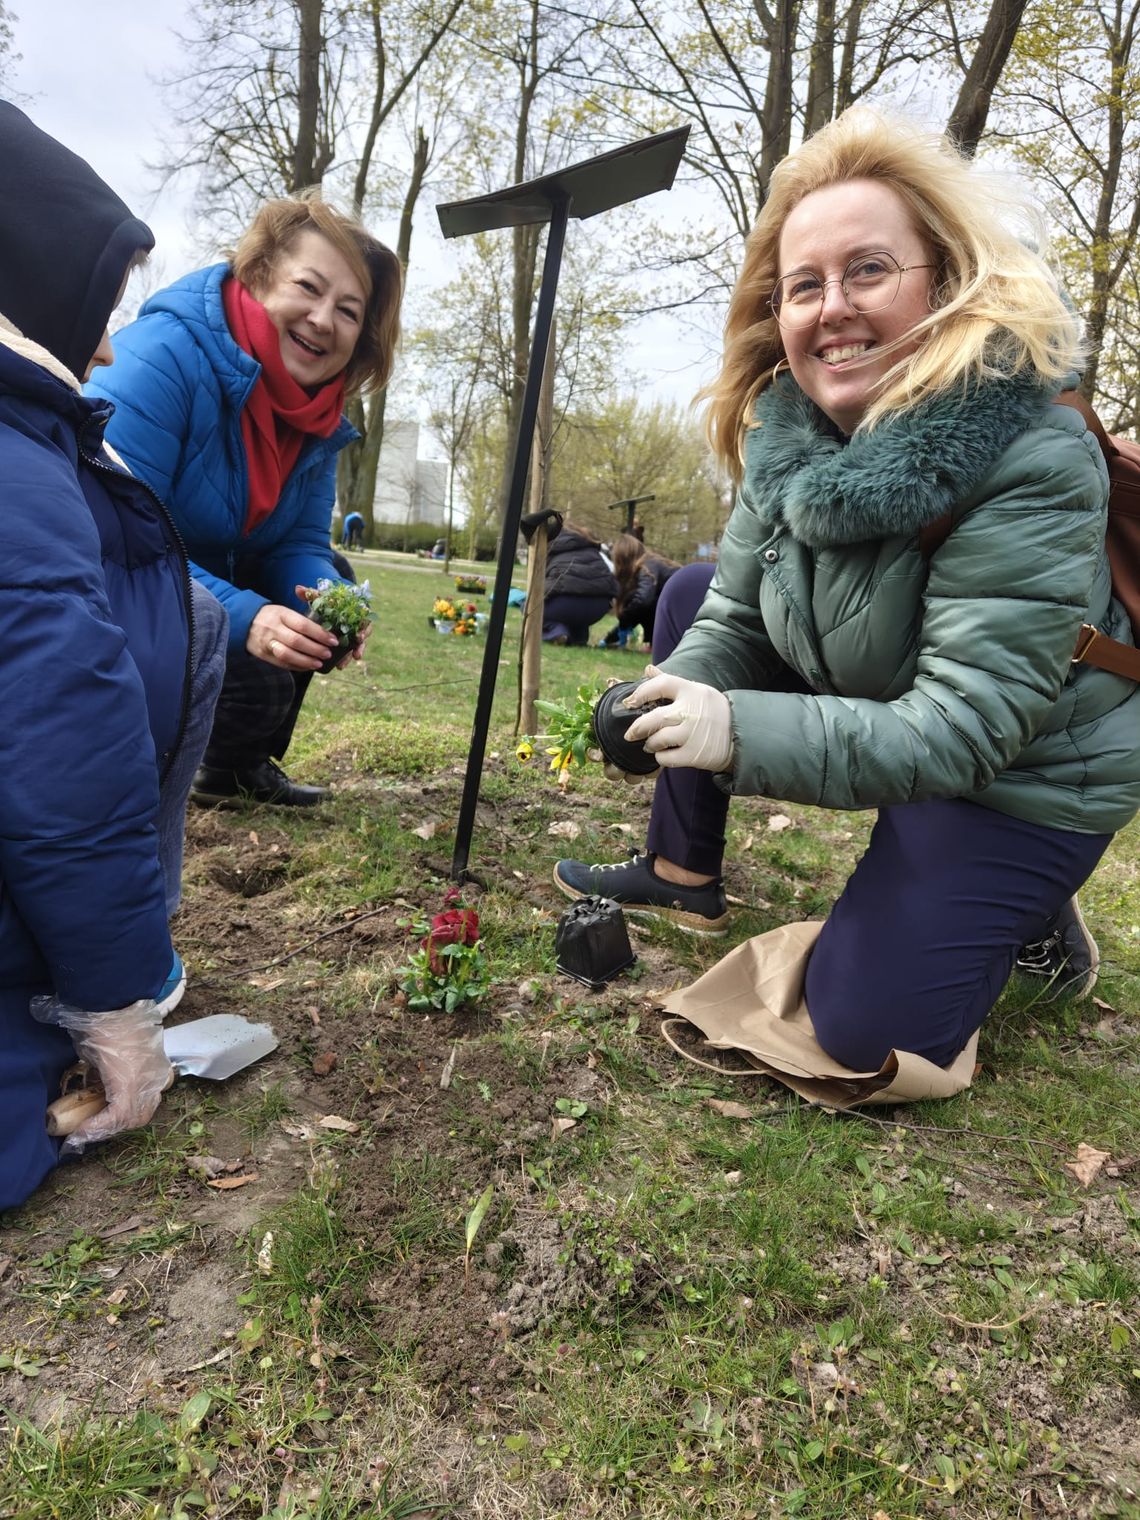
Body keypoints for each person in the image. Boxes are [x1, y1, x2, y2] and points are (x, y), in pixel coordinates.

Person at [556, 106, 1140, 1076]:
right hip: (888, 693)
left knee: (871, 1030)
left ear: (946, 280)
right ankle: (681, 869)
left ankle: (1036, 915)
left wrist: (734, 729)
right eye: (802, 285)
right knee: (689, 594)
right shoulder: (789, 431)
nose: (831, 307)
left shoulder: (1034, 451)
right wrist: (673, 695)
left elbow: (964, 724)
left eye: (868, 269)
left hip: (1025, 770)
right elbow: (737, 613)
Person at [0, 101, 228, 1209]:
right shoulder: (17, 467)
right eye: (93, 308)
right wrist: (116, 1006)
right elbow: (64, 754)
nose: (105, 347)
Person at [88, 194, 403, 807]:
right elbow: (117, 538)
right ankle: (145, 761)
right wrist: (246, 617)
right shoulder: (161, 358)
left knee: (334, 576)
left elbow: (300, 543)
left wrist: (327, 604)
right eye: (308, 288)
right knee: (248, 657)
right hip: (121, 584)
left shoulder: (319, 413)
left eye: (347, 310)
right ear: (257, 276)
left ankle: (233, 768)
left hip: (198, 583)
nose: (321, 319)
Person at [600, 533, 681, 649]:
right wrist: (610, 638)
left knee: (641, 602)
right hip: (682, 605)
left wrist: (624, 619)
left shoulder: (647, 566)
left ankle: (656, 645)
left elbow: (643, 601)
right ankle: (655, 644)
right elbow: (637, 609)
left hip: (684, 607)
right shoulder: (649, 563)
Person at [543, 522, 619, 645]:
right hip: (599, 606)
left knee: (529, 607)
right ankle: (579, 639)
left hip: (566, 604)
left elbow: (549, 586)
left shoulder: (552, 549)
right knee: (578, 611)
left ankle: (557, 632)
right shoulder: (593, 549)